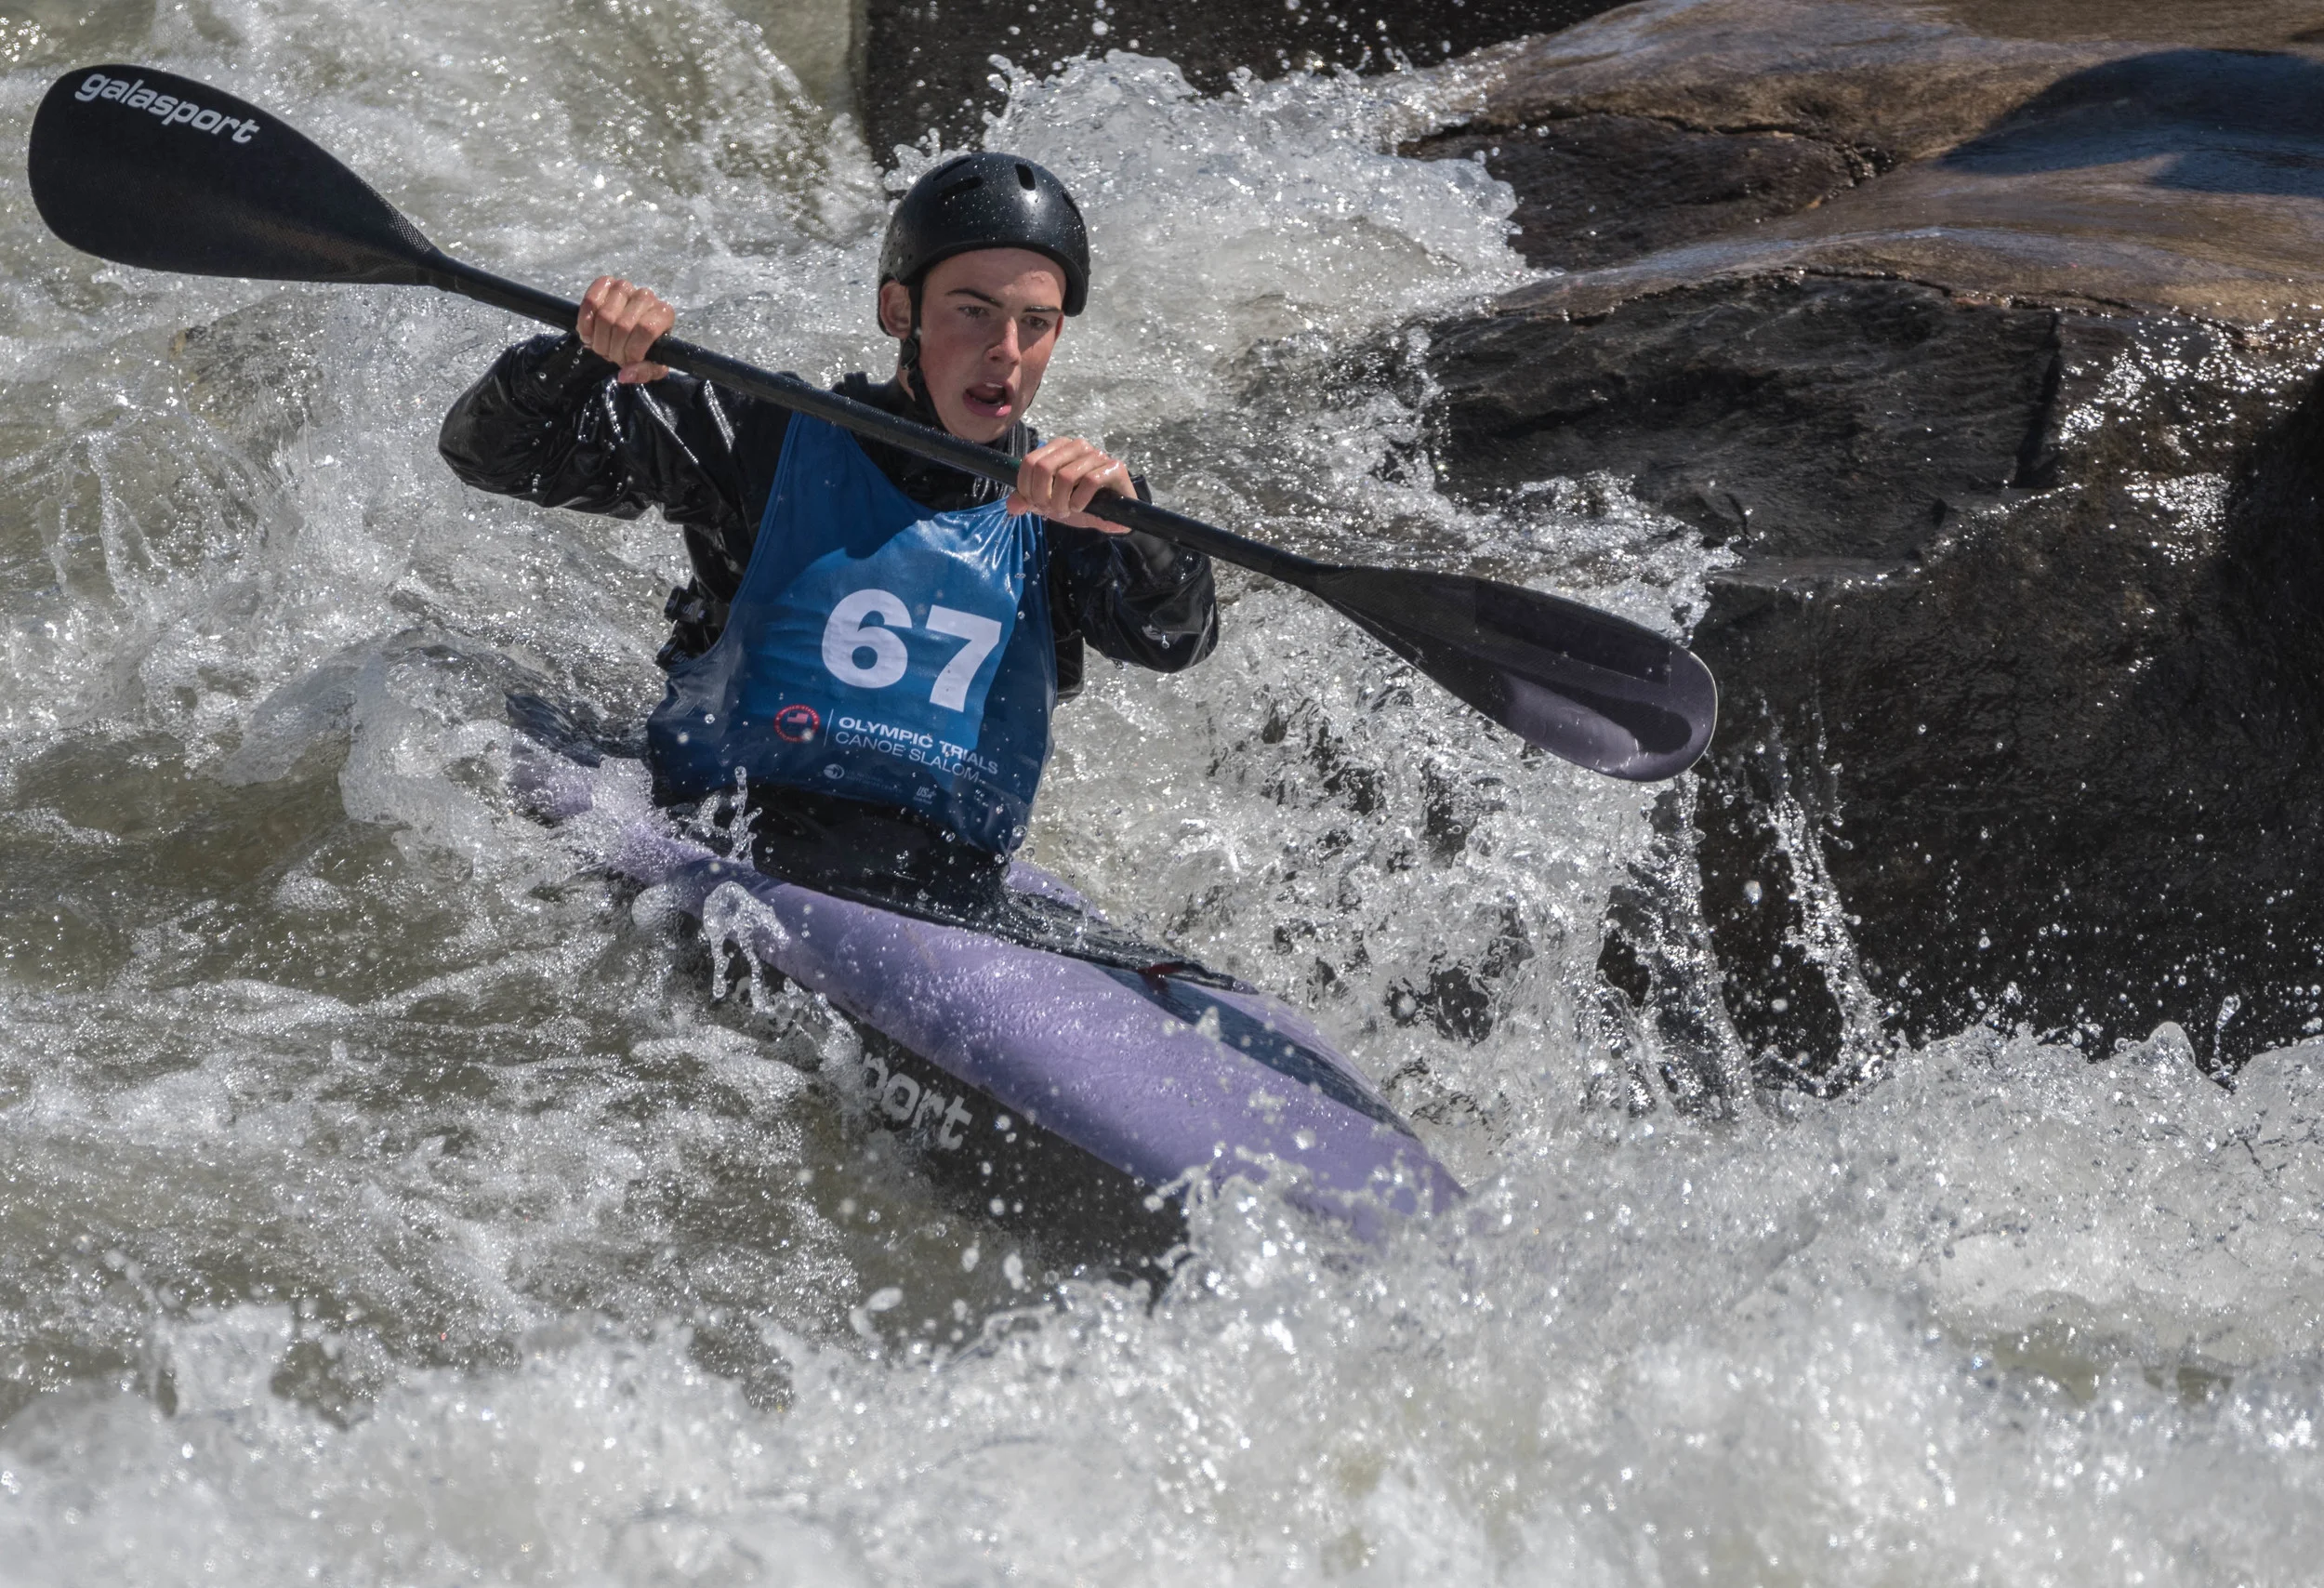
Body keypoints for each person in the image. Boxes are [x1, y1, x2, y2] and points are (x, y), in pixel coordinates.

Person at [440, 153, 1218, 920]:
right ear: (899, 312)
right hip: (720, 844)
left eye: (1036, 323)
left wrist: (1137, 530)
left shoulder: (1070, 512)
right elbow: (495, 456)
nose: (1006, 353)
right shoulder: (761, 436)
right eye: (973, 310)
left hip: (946, 891)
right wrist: (581, 353)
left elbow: (1176, 639)